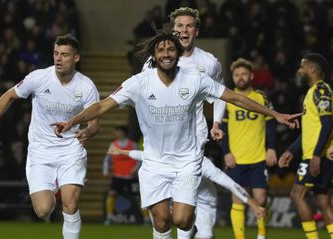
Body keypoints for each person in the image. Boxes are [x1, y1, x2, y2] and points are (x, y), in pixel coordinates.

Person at [52, 29, 298, 239]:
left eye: (171, 49)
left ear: (178, 53)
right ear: (154, 55)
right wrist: (73, 121)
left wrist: (274, 115)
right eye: (161, 50)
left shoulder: (195, 79)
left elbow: (234, 97)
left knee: (181, 220)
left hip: (186, 162)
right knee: (161, 222)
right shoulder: (139, 82)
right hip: (154, 163)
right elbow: (102, 105)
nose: (166, 53)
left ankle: (186, 226)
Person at [0, 34, 100, 239]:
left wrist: (87, 131)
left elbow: (95, 122)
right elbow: (8, 95)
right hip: (40, 151)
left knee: (70, 202)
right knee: (44, 210)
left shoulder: (86, 86)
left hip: (70, 149)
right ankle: (51, 198)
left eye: (64, 55)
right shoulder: (39, 78)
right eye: (56, 53)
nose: (58, 58)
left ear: (76, 58)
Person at [142, 8, 227, 237]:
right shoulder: (154, 60)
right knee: (161, 213)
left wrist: (216, 123)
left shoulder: (209, 63)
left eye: (189, 26)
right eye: (179, 26)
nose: (184, 30)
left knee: (181, 210)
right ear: (173, 29)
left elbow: (221, 94)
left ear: (196, 31)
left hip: (192, 140)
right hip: (159, 142)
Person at [107, 144, 266, 239]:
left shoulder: (203, 164)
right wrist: (121, 152)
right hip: (183, 198)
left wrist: (253, 204)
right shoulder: (168, 157)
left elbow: (230, 183)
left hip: (205, 201)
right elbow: (144, 155)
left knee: (205, 236)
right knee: (182, 232)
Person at [278, 53, 333, 239]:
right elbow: (311, 130)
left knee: (297, 194)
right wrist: (291, 150)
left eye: (302, 67)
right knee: (323, 201)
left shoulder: (321, 90)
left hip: (316, 156)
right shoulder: (312, 93)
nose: (299, 71)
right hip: (317, 154)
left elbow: (327, 124)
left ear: (312, 70)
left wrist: (317, 155)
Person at [221, 58, 277, 239]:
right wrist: (226, 152)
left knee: (260, 200)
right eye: (237, 75)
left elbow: (271, 125)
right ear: (233, 77)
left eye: (244, 74)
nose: (240, 78)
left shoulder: (262, 97)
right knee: (238, 201)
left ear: (251, 75)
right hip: (236, 159)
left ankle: (261, 236)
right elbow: (222, 130)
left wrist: (272, 148)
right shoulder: (227, 98)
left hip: (258, 158)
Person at [102, 125, 142, 225]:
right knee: (112, 194)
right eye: (116, 132)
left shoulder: (133, 144)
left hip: (131, 176)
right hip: (118, 176)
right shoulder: (113, 144)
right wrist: (105, 170)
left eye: (119, 131)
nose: (117, 134)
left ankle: (146, 219)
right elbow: (107, 159)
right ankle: (109, 217)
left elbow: (139, 159)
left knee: (138, 197)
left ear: (124, 133)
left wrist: (135, 169)